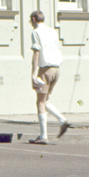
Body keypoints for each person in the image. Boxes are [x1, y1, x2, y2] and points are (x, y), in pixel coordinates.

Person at [29, 11, 70, 144]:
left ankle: (43, 136)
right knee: (45, 100)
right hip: (56, 69)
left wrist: (33, 74)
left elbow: (36, 53)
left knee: (40, 102)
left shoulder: (36, 32)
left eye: (31, 21)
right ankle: (62, 120)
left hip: (45, 70)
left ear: (34, 19)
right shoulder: (52, 31)